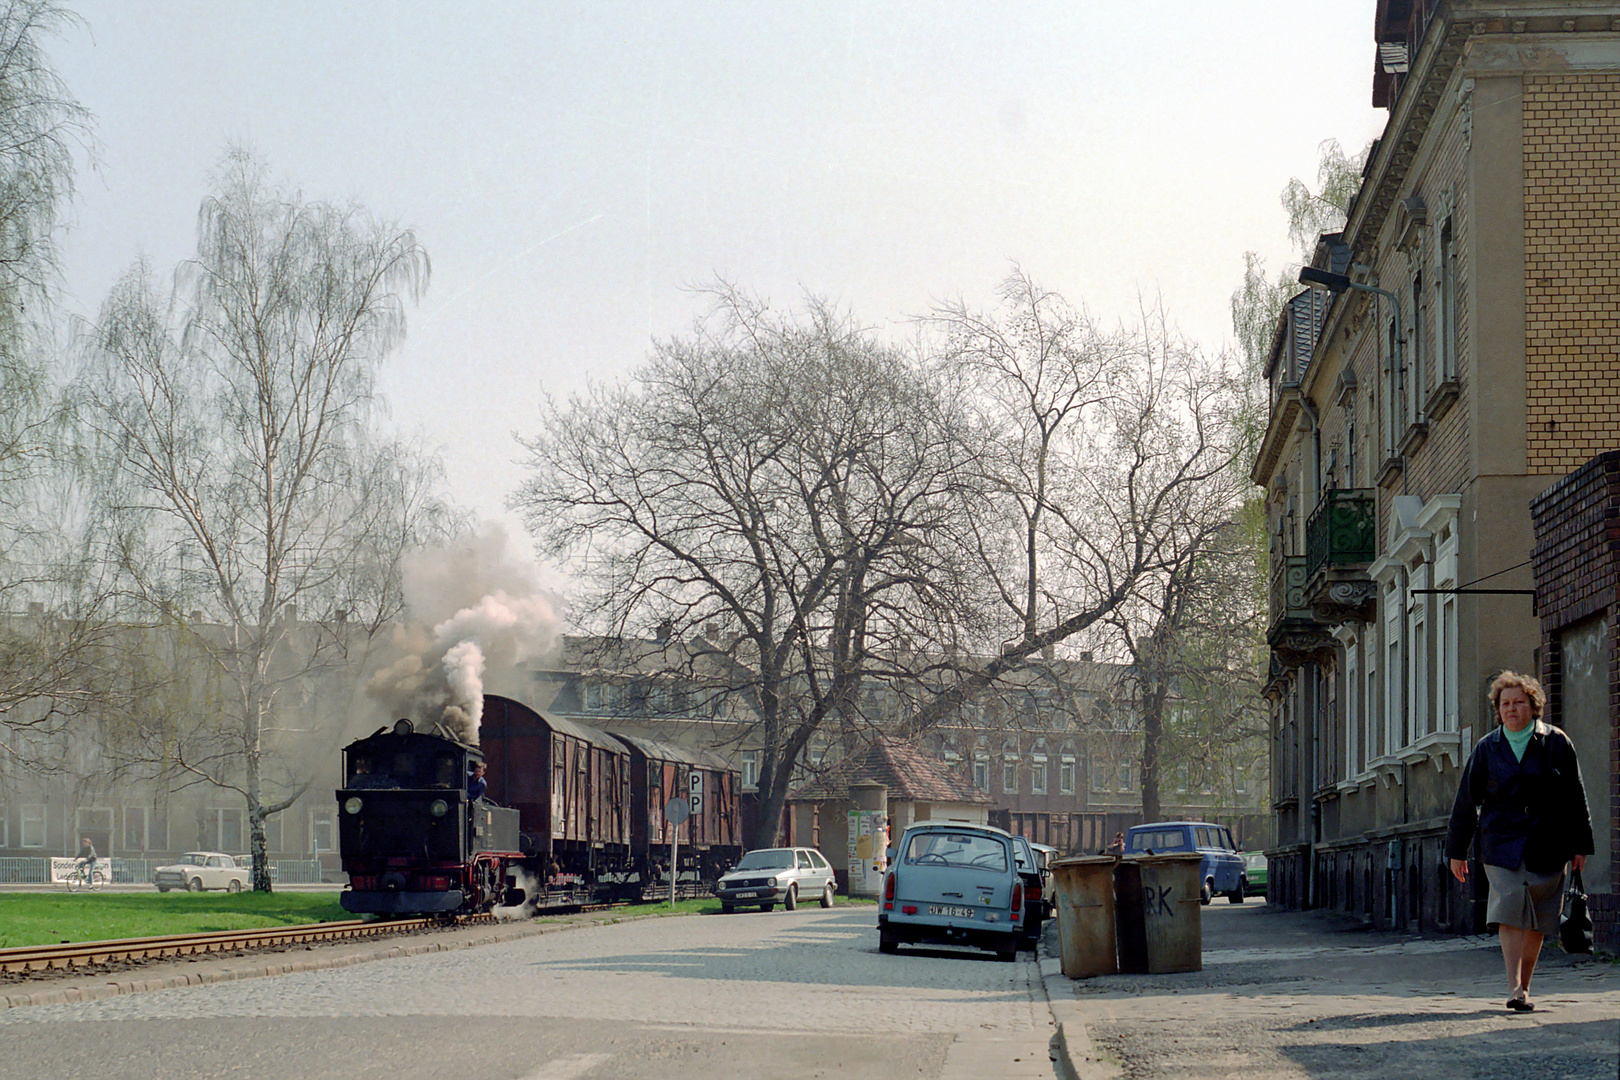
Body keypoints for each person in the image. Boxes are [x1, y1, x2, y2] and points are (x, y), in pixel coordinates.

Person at [1446, 671, 1594, 1012]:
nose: (1511, 709)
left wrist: (1580, 845)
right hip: (1500, 842)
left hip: (1548, 841)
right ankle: (1513, 984)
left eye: (1519, 703)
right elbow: (1466, 802)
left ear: (1534, 706)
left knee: (1539, 917)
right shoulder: (1487, 748)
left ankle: (1524, 985)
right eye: (1505, 703)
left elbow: (1576, 795)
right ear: (1498, 709)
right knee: (1510, 907)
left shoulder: (1556, 742)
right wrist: (1457, 851)